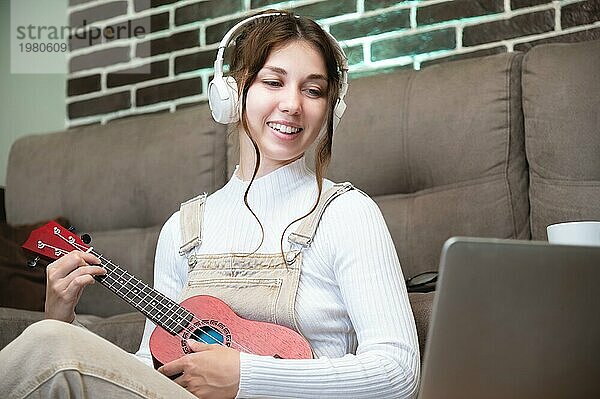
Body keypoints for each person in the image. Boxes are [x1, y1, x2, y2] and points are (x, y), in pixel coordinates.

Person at [0, 10, 420, 399]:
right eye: (273, 82)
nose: (292, 104)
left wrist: (247, 376)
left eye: (313, 90)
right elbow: (151, 369)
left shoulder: (346, 214)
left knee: (47, 345)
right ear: (231, 93)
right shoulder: (184, 229)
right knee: (50, 339)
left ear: (332, 109)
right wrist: (61, 321)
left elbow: (398, 371)